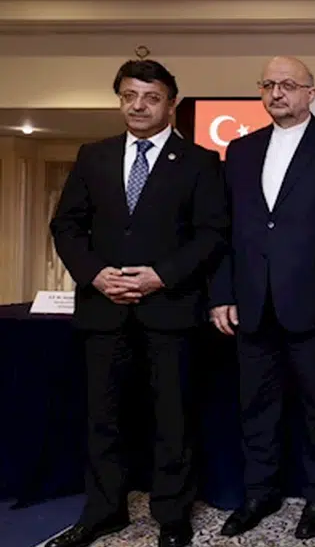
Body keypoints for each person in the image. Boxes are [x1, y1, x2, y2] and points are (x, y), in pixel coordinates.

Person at [49, 60, 227, 547]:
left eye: (151, 97)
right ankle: (105, 511)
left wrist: (160, 276)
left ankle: (172, 515)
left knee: (173, 418)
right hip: (104, 310)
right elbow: (66, 225)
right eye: (129, 96)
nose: (138, 106)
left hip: (170, 310)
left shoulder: (200, 162)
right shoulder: (94, 156)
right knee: (102, 420)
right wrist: (95, 273)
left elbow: (212, 233)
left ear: (171, 103)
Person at [210, 56, 315, 540]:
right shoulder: (240, 150)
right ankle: (260, 493)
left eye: (287, 85)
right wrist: (222, 294)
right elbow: (225, 230)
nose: (276, 93)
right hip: (252, 303)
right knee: (256, 407)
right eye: (268, 85)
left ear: (310, 93)